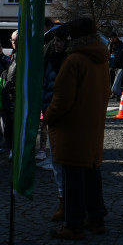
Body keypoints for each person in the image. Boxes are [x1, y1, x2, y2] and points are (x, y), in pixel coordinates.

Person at [44, 17, 109, 239]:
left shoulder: (74, 61)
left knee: (72, 176)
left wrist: (48, 117)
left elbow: (62, 99)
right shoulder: (100, 57)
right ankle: (96, 218)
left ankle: (73, 224)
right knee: (91, 172)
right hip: (92, 123)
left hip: (72, 126)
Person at [42, 32, 68, 222]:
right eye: (56, 40)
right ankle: (62, 200)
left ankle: (69, 202)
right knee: (57, 159)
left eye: (61, 40)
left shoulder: (72, 61)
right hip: (51, 111)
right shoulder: (47, 59)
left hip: (67, 114)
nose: (58, 43)